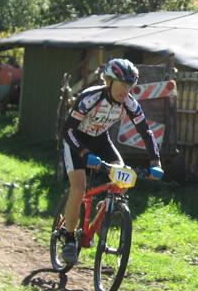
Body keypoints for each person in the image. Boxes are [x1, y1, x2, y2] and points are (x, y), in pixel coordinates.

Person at [60, 58, 163, 264]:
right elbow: (68, 130)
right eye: (122, 85)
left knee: (124, 177)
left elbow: (146, 131)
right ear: (109, 81)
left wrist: (155, 162)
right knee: (78, 188)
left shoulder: (129, 103)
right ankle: (69, 238)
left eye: (129, 86)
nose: (125, 91)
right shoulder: (91, 97)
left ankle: (103, 213)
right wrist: (83, 153)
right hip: (76, 141)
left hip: (100, 141)